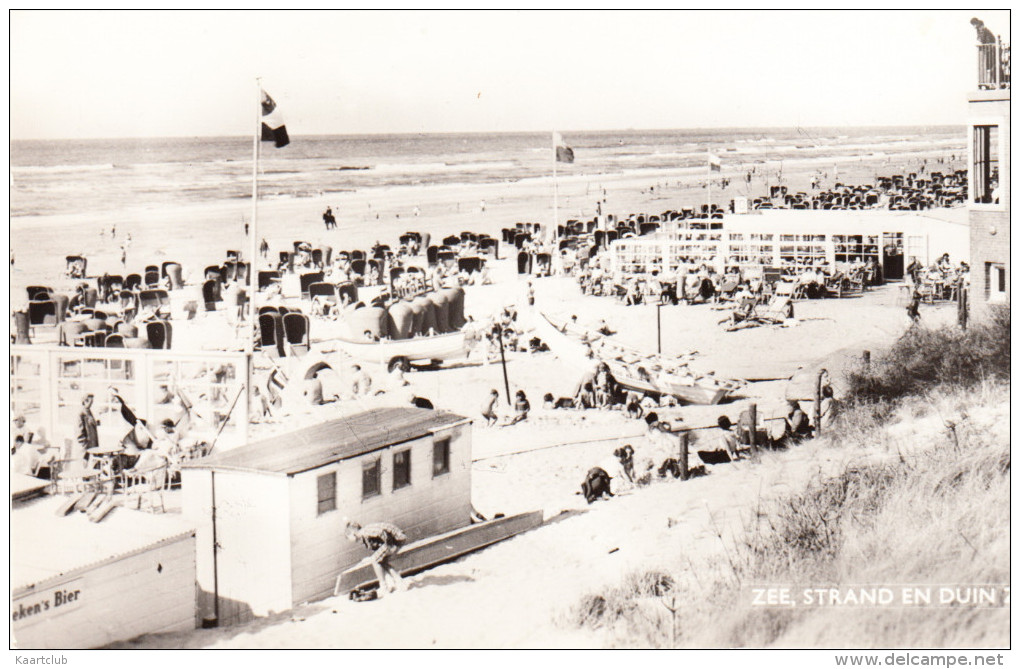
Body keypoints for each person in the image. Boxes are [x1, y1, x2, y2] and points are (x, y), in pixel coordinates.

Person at [344, 519, 408, 596]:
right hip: (394, 538)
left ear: (353, 533)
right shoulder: (364, 536)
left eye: (348, 537)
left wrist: (390, 545)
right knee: (381, 561)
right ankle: (399, 581)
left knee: (374, 560)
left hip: (397, 537)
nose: (349, 540)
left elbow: (382, 532)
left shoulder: (365, 532)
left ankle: (384, 586)